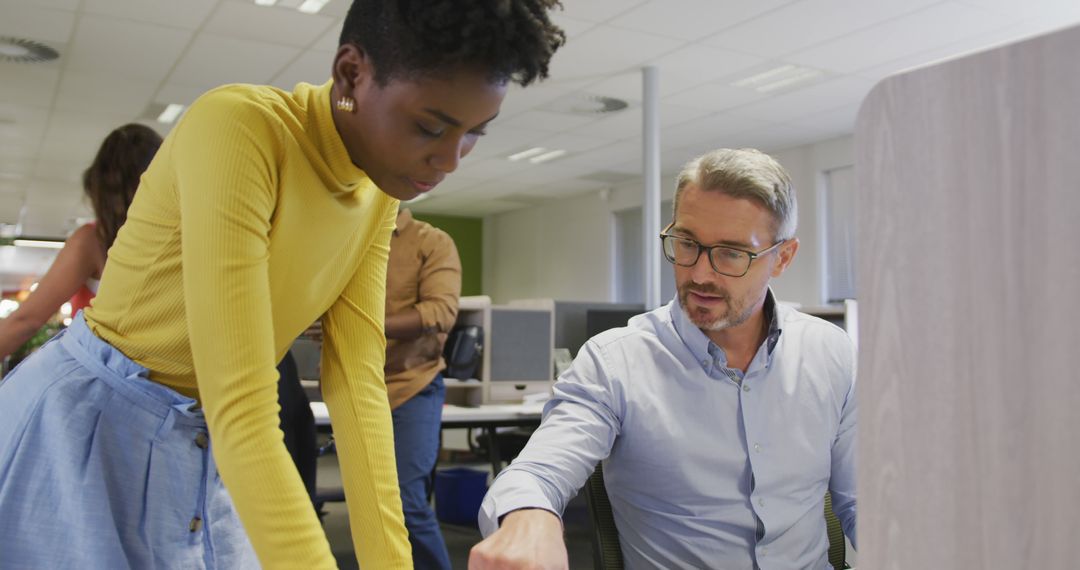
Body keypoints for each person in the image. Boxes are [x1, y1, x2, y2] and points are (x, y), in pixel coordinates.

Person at [0, 1, 564, 568]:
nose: (450, 160)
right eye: (429, 127)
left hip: (206, 435)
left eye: (474, 134)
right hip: (92, 417)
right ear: (351, 74)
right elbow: (241, 399)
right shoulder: (239, 127)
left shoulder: (378, 195)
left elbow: (356, 383)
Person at [469, 148, 857, 570]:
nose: (700, 274)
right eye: (687, 242)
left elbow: (866, 506)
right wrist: (530, 517)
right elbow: (536, 474)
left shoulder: (830, 353)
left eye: (731, 252)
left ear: (782, 257)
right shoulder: (616, 363)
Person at [0, 123, 162, 362]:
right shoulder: (183, 238)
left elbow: (26, 321)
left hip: (104, 379)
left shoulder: (94, 240)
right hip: (173, 387)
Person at [384, 207, 462, 569]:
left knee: (406, 499)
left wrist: (362, 324)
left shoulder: (430, 242)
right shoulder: (345, 236)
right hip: (353, 386)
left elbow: (440, 312)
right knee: (369, 501)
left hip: (411, 385)